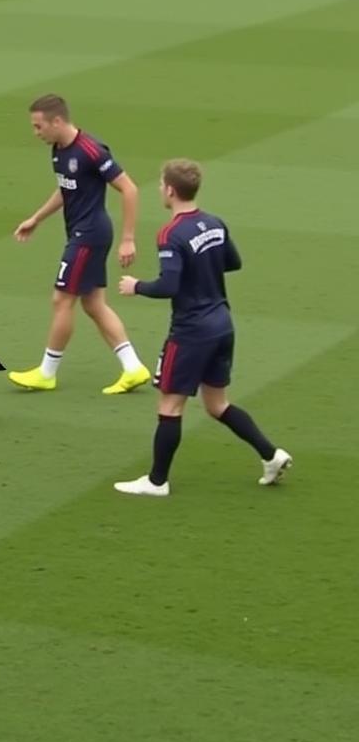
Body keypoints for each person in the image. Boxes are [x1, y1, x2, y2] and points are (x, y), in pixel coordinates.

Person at [113, 159, 293, 496]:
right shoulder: (214, 222)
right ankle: (271, 455)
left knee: (169, 406)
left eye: (161, 184)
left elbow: (169, 286)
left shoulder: (170, 233)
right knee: (217, 405)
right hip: (222, 324)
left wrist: (135, 286)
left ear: (169, 189)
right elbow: (233, 262)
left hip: (191, 331)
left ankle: (156, 482)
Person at [8, 94, 150, 395]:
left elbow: (129, 188)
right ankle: (133, 368)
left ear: (57, 121)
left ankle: (47, 373)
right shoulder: (58, 150)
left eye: (38, 126)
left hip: (90, 235)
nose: (36, 133)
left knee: (61, 300)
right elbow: (66, 189)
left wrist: (128, 239)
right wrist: (37, 218)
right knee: (94, 304)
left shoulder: (90, 150)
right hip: (81, 233)